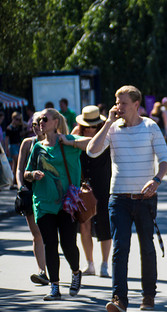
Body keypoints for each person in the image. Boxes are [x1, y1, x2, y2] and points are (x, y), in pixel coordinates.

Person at [87, 85, 167, 312]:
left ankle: (148, 294)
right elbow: (92, 152)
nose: (118, 106)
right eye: (116, 101)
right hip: (118, 198)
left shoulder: (150, 127)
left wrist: (156, 179)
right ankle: (119, 299)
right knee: (120, 248)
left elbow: (165, 160)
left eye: (123, 103)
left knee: (147, 247)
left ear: (136, 105)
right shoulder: (112, 128)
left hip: (145, 198)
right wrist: (106, 123)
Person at [24, 108, 86, 301]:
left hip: (66, 204)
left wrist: (69, 141)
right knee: (50, 244)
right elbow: (26, 173)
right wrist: (33, 175)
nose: (40, 122)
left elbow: (94, 145)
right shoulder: (37, 147)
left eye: (45, 119)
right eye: (39, 120)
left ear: (56, 122)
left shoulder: (67, 142)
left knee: (68, 244)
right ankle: (54, 287)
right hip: (43, 204)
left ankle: (76, 272)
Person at [72, 106, 113, 278]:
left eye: (93, 126)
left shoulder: (107, 133)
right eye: (86, 126)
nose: (89, 129)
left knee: (104, 225)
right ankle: (90, 264)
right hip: (83, 186)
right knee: (84, 224)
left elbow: (92, 146)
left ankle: (104, 264)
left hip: (103, 185)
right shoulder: (76, 133)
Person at [16, 117, 48, 285]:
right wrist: (21, 186)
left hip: (50, 194)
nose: (36, 127)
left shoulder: (56, 143)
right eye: (34, 124)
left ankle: (56, 269)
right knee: (37, 234)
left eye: (40, 123)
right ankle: (42, 271)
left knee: (49, 234)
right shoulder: (28, 143)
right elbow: (20, 168)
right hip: (30, 193)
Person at [6, 111, 29, 187]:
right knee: (17, 162)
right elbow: (7, 139)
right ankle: (15, 181)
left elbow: (27, 124)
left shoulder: (19, 126)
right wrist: (7, 149)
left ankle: (14, 182)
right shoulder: (9, 128)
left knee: (16, 165)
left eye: (19, 119)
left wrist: (21, 121)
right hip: (13, 146)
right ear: (13, 118)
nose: (18, 121)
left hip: (19, 145)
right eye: (17, 119)